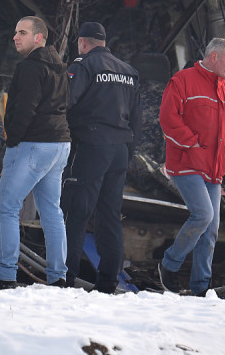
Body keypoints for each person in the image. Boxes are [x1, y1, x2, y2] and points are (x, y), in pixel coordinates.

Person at [156, 37, 225, 296]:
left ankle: (201, 288)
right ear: (214, 57)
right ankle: (169, 265)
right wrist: (192, 145)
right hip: (187, 164)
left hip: (214, 169)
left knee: (211, 228)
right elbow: (168, 119)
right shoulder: (182, 81)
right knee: (203, 215)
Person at [0, 15, 71, 288]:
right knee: (51, 211)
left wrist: (12, 139)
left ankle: (5, 275)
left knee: (5, 209)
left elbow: (24, 109)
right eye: (15, 32)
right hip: (60, 145)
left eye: (22, 32)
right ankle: (58, 277)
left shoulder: (29, 67)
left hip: (34, 144)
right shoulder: (60, 66)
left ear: (39, 37)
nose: (16, 37)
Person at [62, 21, 141, 293]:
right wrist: (128, 151)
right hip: (120, 148)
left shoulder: (82, 65)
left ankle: (66, 277)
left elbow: (65, 102)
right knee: (109, 214)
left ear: (83, 42)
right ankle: (108, 281)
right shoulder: (129, 72)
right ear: (104, 42)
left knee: (76, 211)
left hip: (90, 145)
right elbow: (137, 120)